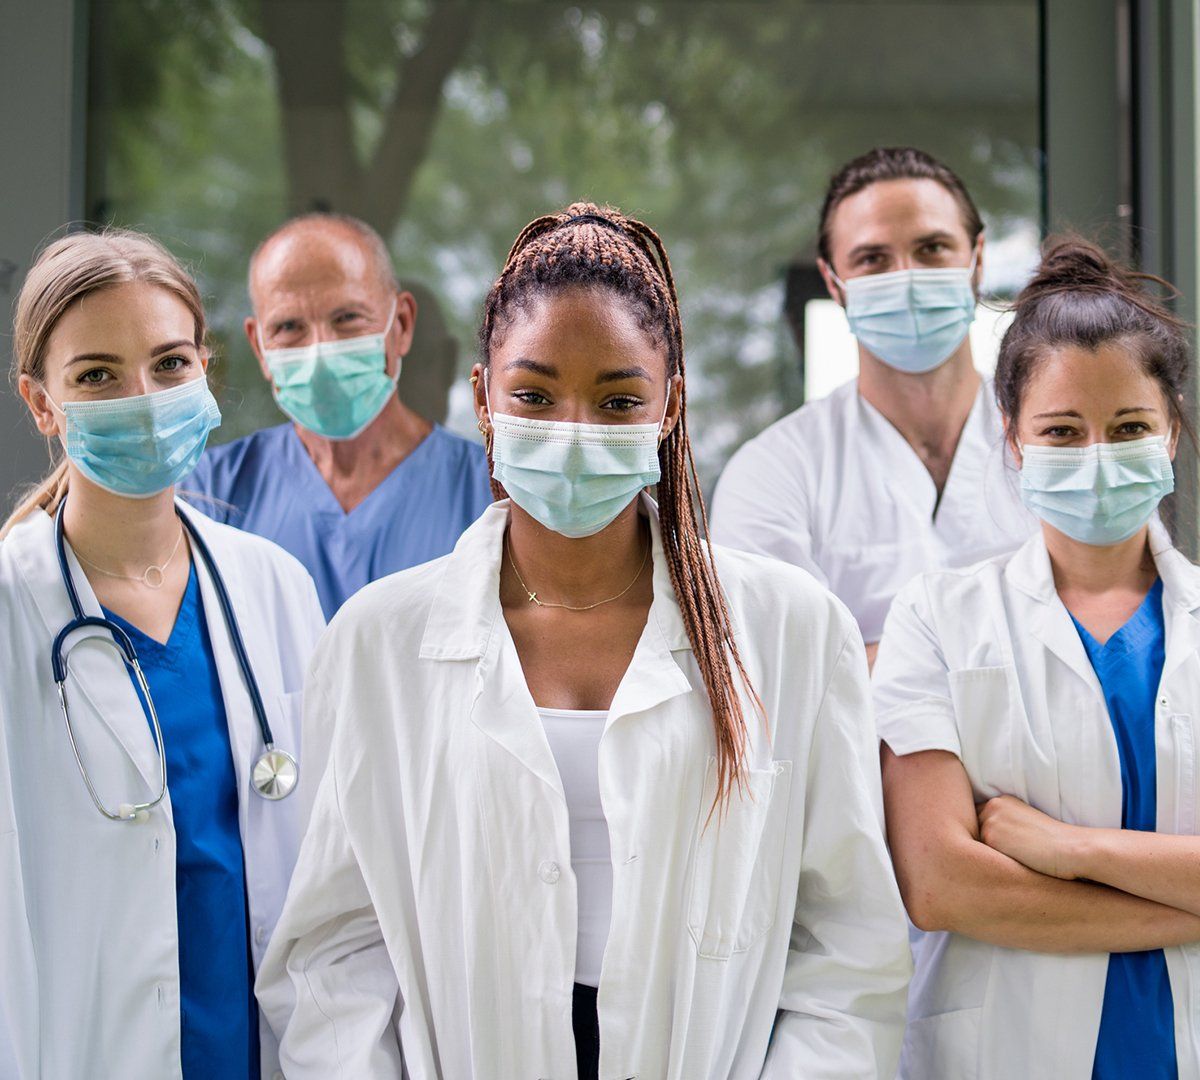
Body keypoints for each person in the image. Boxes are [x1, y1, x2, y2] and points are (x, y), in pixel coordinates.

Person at [256, 203, 912, 1079]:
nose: (572, 431)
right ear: (484, 398)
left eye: (616, 399)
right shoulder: (378, 643)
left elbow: (847, 947)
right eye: (534, 394)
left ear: (669, 404)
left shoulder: (790, 629)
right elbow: (334, 957)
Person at [0, 229, 328, 1079]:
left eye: (170, 364)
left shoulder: (275, 588)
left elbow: (332, 874)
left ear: (207, 372)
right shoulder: (10, 607)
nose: (142, 398)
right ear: (43, 404)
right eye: (97, 376)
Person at [873, 237, 1200, 1079]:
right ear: (1013, 440)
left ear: (1172, 435)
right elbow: (943, 884)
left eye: (1129, 427)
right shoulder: (938, 618)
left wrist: (1066, 850)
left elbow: (992, 878)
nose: (1096, 455)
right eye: (1062, 430)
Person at [712, 147, 1036, 665]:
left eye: (932, 248)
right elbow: (772, 672)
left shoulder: (1060, 440)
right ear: (835, 283)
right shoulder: (773, 473)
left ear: (977, 260)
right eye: (873, 259)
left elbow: (1112, 615)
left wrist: (867, 660)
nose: (905, 277)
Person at [184, 212, 493, 618]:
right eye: (290, 327)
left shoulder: (487, 492)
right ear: (260, 348)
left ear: (400, 325)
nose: (320, 350)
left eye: (347, 318)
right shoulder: (210, 492)